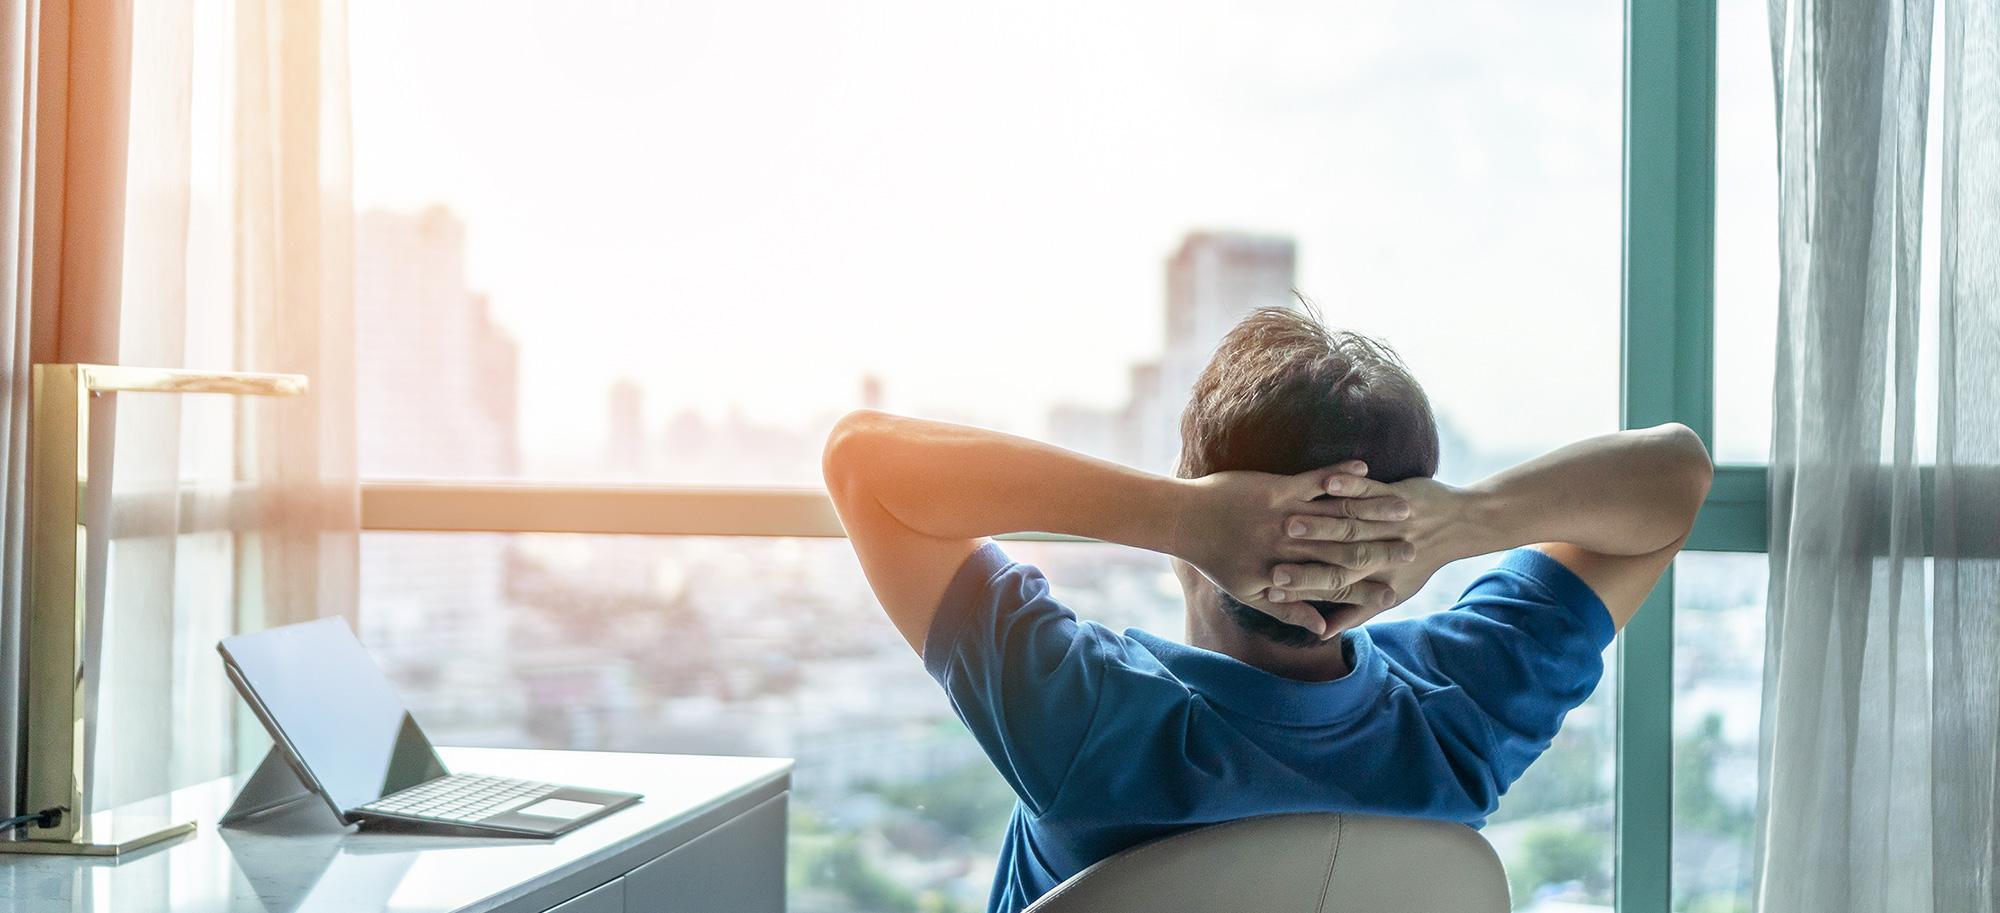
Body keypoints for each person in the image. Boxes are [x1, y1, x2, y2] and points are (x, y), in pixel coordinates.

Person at [821, 306, 1712, 913]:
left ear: (1199, 495)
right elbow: (1676, 474)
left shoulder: (1088, 721)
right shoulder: (1458, 714)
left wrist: (1182, 515)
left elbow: (863, 462)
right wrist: (1464, 522)